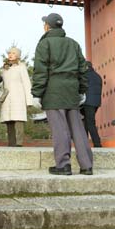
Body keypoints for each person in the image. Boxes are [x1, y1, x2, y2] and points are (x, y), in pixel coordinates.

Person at [32, 12, 94, 175]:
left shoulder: (45, 44)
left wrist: (37, 93)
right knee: (78, 128)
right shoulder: (73, 44)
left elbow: (40, 71)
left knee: (59, 128)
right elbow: (82, 69)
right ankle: (87, 165)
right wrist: (82, 90)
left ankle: (63, 165)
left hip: (53, 90)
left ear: (47, 26)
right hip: (72, 89)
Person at [0, 46, 32, 147]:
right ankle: (11, 143)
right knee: (9, 120)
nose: (10, 55)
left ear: (17, 55)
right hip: (7, 97)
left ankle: (19, 143)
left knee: (18, 120)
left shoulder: (21, 67)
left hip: (18, 96)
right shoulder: (5, 68)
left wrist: (29, 100)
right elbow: (2, 85)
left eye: (13, 53)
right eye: (9, 53)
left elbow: (27, 83)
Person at [81, 61, 103, 148]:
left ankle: (97, 143)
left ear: (86, 67)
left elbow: (81, 88)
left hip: (87, 102)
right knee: (87, 122)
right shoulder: (98, 76)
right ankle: (84, 143)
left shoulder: (85, 76)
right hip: (96, 103)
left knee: (89, 123)